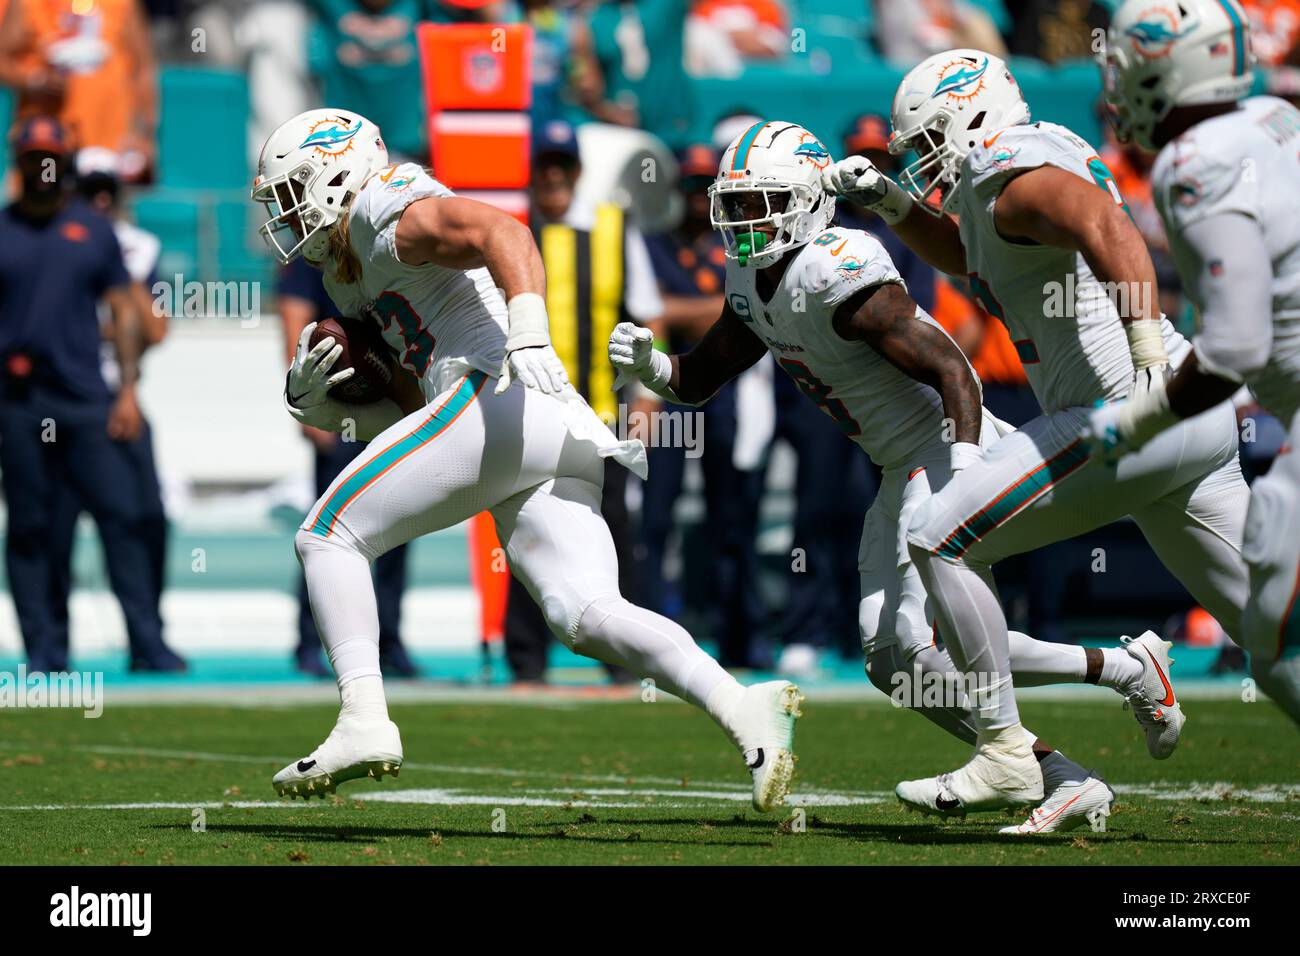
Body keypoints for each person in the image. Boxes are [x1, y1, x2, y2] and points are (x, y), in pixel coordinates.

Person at [611, 119, 1182, 834]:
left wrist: (967, 477)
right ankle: (1102, 712)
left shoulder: (836, 268)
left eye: (762, 202)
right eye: (737, 204)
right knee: (893, 659)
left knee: (929, 645)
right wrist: (652, 369)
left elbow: (952, 369)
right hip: (898, 465)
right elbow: (702, 377)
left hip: (945, 448)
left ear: (808, 202)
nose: (744, 221)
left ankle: (1024, 755)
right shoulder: (752, 277)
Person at [251, 108, 800, 811]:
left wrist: (529, 327)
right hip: (534, 422)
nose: (289, 216)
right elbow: (415, 403)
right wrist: (330, 406)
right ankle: (744, 707)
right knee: (588, 614)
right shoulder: (349, 271)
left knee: (326, 534)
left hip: (499, 390)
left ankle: (364, 718)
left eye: (294, 192)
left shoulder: (384, 205)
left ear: (335, 173)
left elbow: (501, 232)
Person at [822, 49, 1252, 812]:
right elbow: (971, 253)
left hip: (1129, 409)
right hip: (1188, 418)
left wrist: (1147, 352)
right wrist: (892, 202)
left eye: (925, 144)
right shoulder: (1004, 186)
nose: (923, 164)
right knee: (1270, 627)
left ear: (972, 117)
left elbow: (1103, 224)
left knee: (935, 534)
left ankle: (1004, 753)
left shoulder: (1002, 166)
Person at [1092, 0, 1300, 723]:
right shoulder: (1274, 116)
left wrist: (1137, 419)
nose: (1118, 83)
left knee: (1277, 642)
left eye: (1130, 65)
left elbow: (1238, 346)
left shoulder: (1195, 160)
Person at [0, 116, 184, 673]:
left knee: (125, 516)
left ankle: (146, 642)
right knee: (34, 525)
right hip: (17, 400)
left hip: (85, 399)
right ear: (19, 162)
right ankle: (46, 652)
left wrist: (127, 390)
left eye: (50, 156)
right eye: (32, 157)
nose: (42, 167)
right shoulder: (3, 229)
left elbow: (126, 312)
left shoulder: (92, 230)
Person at [501, 119, 659, 683]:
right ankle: (525, 665)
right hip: (528, 415)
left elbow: (647, 315)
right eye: (544, 166)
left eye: (562, 166)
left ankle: (627, 665)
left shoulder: (615, 231)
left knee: (616, 532)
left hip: (600, 413)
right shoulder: (513, 235)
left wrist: (645, 398)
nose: (552, 176)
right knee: (524, 531)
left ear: (577, 173)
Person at [641, 142, 769, 669]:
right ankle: (648, 640)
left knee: (733, 519)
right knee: (655, 518)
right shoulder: (652, 244)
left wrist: (691, 315)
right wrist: (716, 313)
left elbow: (743, 310)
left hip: (727, 388)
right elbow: (655, 314)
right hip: (669, 389)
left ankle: (742, 637)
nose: (697, 201)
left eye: (704, 188)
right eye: (689, 187)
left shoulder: (739, 243)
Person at [46, 148, 170, 663]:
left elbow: (156, 328)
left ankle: (147, 637)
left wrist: (120, 274)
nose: (99, 202)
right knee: (50, 526)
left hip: (117, 399)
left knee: (143, 521)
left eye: (108, 192)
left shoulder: (138, 247)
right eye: (89, 191)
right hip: (55, 402)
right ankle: (51, 651)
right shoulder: (50, 239)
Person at [277, 255, 417, 678]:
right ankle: (311, 642)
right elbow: (295, 315)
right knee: (328, 530)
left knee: (398, 530)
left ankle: (389, 640)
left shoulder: (385, 248)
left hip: (393, 405)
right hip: (341, 413)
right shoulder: (316, 254)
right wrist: (305, 398)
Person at [0, 0, 158, 180]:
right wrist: (35, 81)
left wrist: (144, 134)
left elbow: (142, 69)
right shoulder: (28, 3)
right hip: (44, 142)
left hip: (105, 141)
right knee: (43, 199)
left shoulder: (121, 4)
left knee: (99, 202)